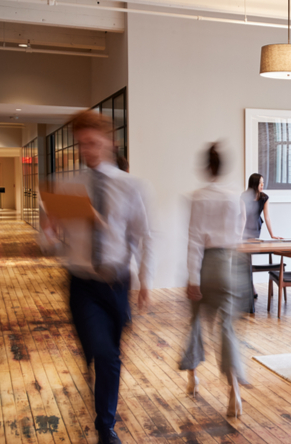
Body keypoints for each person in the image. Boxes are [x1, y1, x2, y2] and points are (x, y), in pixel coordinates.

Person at [43, 111, 154, 444]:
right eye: (82, 144)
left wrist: (145, 281)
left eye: (93, 142)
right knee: (104, 354)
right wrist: (48, 231)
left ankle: (103, 404)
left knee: (108, 356)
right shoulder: (66, 185)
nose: (87, 150)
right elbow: (48, 241)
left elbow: (142, 235)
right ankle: (106, 428)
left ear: (109, 142)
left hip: (117, 283)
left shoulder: (132, 185)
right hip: (82, 284)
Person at [180, 143, 245, 418]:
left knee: (195, 322)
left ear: (207, 167)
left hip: (206, 265)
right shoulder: (234, 198)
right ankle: (234, 394)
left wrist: (193, 277)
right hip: (229, 265)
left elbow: (195, 239)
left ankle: (193, 378)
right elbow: (239, 234)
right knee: (226, 328)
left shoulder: (198, 197)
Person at [241, 173, 281, 240]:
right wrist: (240, 236)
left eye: (263, 182)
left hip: (256, 224)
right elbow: (243, 217)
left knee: (253, 246)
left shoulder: (264, 198)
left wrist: (272, 235)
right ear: (254, 184)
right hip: (243, 224)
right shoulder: (244, 196)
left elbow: (267, 217)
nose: (262, 185)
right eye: (260, 183)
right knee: (243, 245)